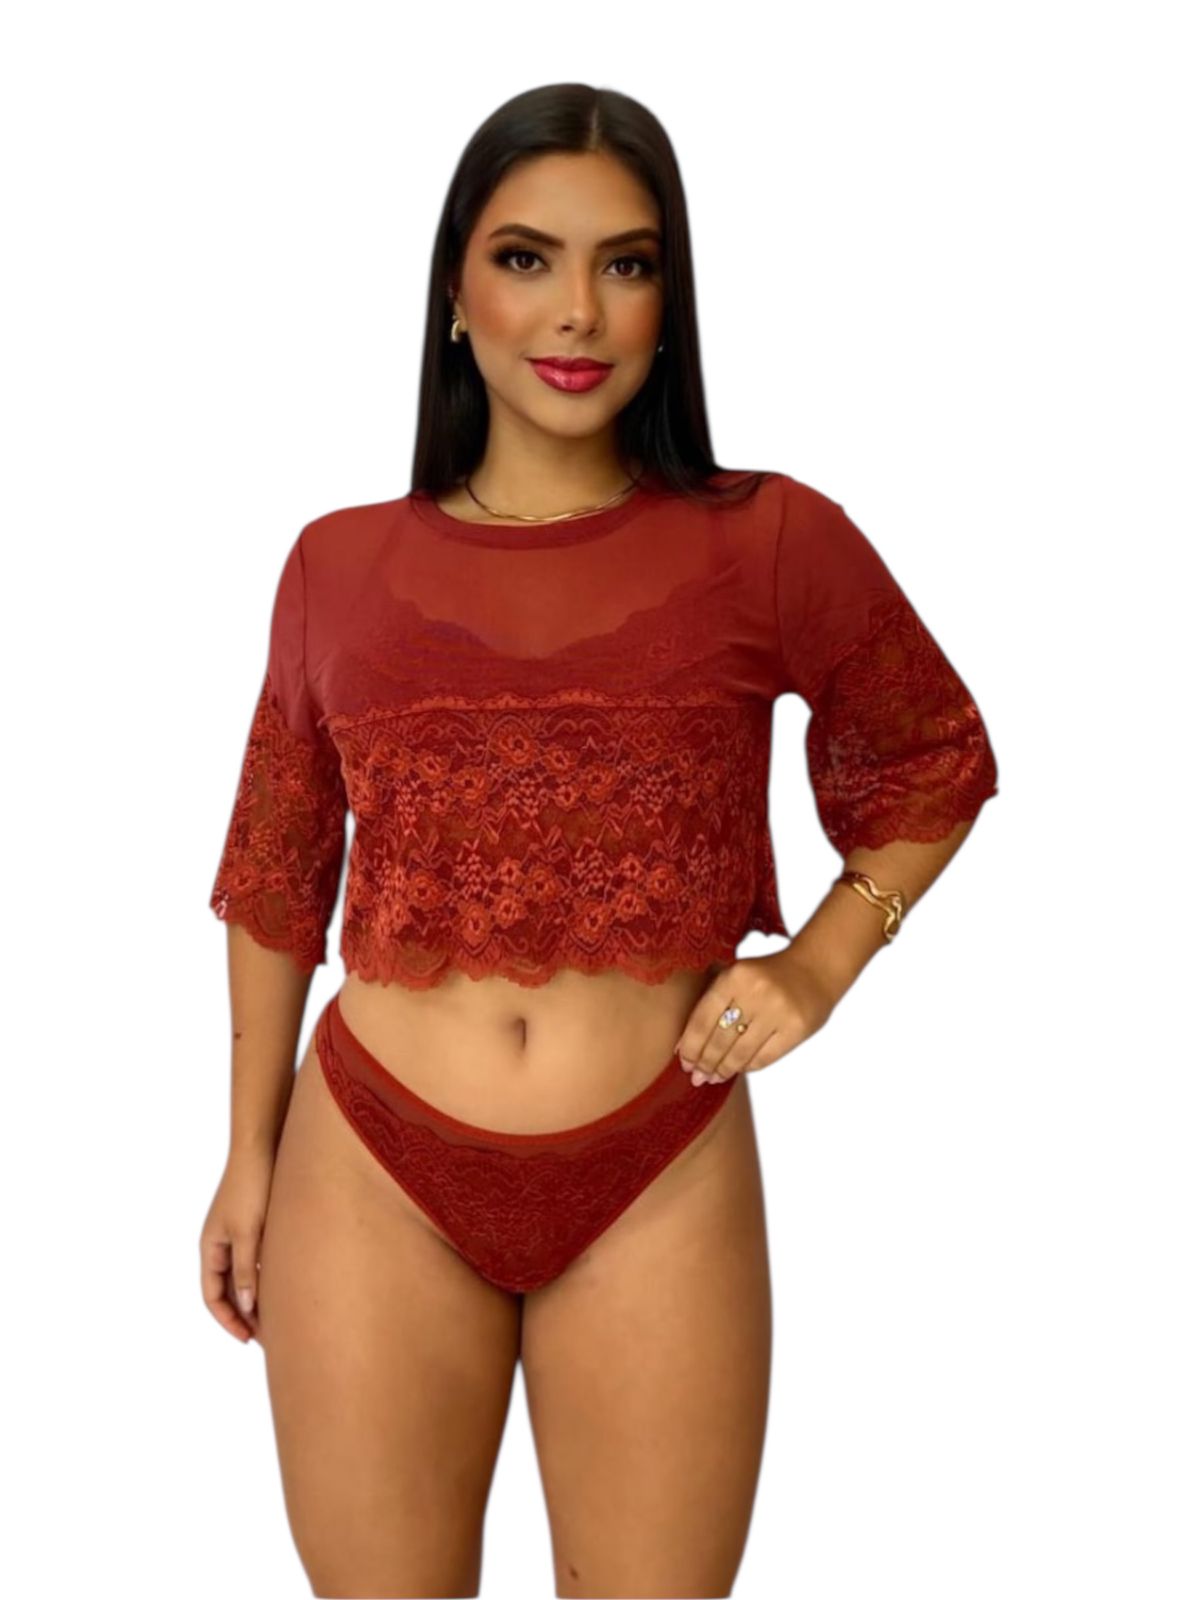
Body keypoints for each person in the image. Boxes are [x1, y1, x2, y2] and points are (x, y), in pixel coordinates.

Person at [199, 82, 999, 1599]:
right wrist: (247, 1154)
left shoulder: (769, 538)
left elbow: (934, 757)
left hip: (658, 1166)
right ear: (455, 292)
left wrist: (820, 968)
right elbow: (277, 869)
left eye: (626, 265)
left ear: (668, 300)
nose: (577, 310)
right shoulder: (333, 564)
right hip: (368, 1168)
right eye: (526, 259)